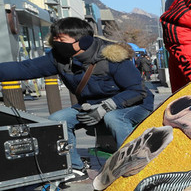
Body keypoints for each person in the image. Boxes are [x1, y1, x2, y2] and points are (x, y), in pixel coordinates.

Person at [0, 17, 154, 182]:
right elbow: (25, 68)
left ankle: (131, 163)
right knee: (57, 119)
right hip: (92, 105)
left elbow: (137, 90)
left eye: (62, 39)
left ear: (84, 41)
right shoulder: (58, 58)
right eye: (55, 38)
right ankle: (75, 168)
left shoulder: (113, 57)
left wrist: (104, 108)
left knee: (114, 117)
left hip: (134, 104)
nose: (57, 42)